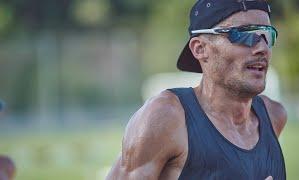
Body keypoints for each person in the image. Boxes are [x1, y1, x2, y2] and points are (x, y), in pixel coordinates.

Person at [106, 0, 287, 179]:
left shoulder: (274, 116)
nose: (262, 48)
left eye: (267, 35)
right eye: (245, 34)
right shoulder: (166, 117)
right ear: (200, 49)